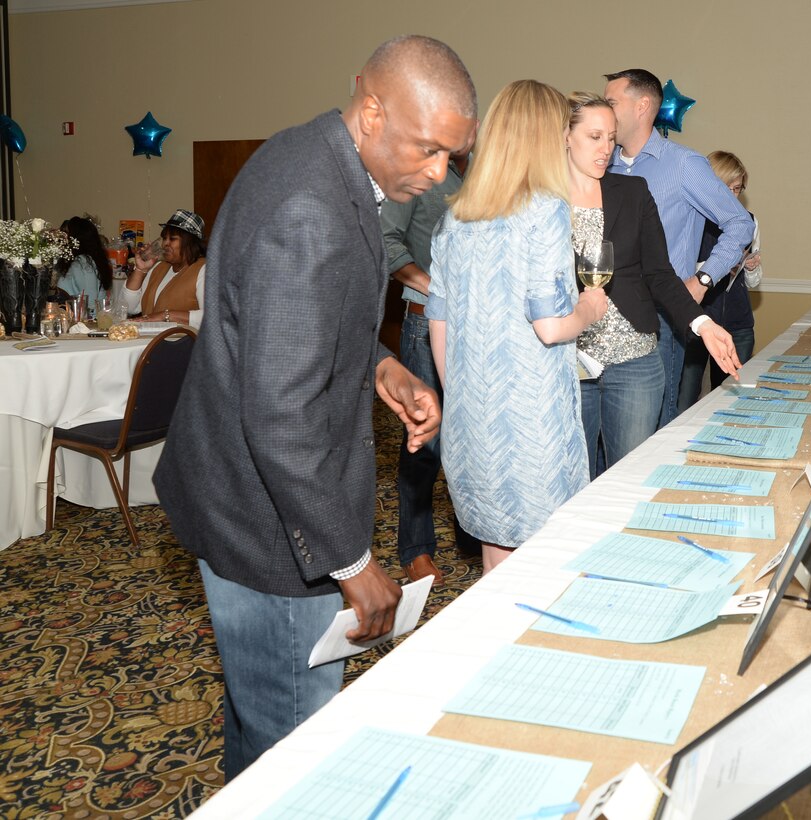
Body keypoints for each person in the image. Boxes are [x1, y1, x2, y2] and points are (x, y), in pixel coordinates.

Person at [153, 35, 476, 781]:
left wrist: (382, 365)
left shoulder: (316, 152)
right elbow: (280, 417)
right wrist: (353, 561)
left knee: (257, 723)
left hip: (237, 492)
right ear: (371, 111)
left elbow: (288, 321)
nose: (436, 177)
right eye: (428, 151)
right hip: (267, 526)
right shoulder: (310, 207)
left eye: (450, 160)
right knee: (297, 757)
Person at [428, 79, 609, 575]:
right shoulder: (545, 210)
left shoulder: (455, 219)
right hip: (532, 424)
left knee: (495, 558)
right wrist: (590, 309)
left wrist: (465, 397)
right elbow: (550, 326)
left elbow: (437, 325)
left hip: (471, 420)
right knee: (543, 563)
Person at [565, 93, 740, 478]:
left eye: (611, 137)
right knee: (572, 481)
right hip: (567, 361)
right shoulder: (543, 200)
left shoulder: (632, 191)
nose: (606, 149)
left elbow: (659, 273)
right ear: (566, 136)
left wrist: (703, 325)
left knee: (628, 476)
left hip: (635, 363)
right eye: (594, 137)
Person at [603, 69, 754, 427]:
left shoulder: (683, 165)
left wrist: (703, 279)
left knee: (651, 428)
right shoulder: (601, 163)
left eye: (611, 102)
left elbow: (740, 225)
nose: (604, 110)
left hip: (660, 318)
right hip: (597, 316)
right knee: (599, 435)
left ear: (642, 106)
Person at [381, 136, 482, 585]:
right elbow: (385, 239)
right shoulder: (418, 172)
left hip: (477, 327)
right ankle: (415, 549)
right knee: (425, 439)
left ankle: (472, 534)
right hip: (426, 321)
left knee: (473, 435)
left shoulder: (485, 169)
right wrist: (431, 285)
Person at [679, 150, 763, 405]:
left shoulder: (748, 221)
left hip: (739, 324)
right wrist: (717, 266)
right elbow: (679, 273)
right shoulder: (691, 220)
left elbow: (754, 283)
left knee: (732, 399)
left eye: (737, 189)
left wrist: (751, 268)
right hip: (697, 323)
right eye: (726, 187)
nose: (732, 195)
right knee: (685, 400)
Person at [124, 209, 207, 328]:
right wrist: (140, 270)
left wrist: (165, 316)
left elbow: (212, 317)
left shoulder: (204, 269)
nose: (165, 244)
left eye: (172, 239)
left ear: (190, 242)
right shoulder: (158, 267)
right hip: (151, 343)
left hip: (184, 344)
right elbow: (128, 307)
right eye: (164, 238)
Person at [54, 216, 113, 306]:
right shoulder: (82, 261)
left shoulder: (83, 264)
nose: (62, 238)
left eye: (66, 234)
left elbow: (90, 301)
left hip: (83, 317)